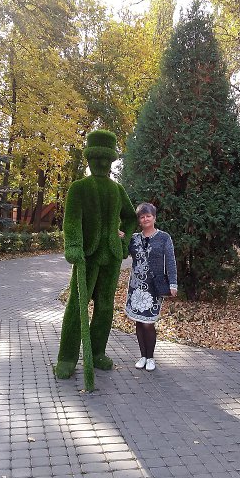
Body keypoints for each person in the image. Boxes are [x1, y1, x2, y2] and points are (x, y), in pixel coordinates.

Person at [55, 130, 137, 381]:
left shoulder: (117, 190)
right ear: (89, 159)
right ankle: (67, 357)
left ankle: (97, 352)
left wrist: (123, 244)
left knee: (105, 307)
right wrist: (73, 246)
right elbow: (71, 221)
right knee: (77, 306)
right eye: (96, 158)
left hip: (111, 257)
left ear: (111, 161)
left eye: (106, 159)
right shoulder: (79, 188)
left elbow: (131, 218)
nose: (101, 163)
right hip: (87, 257)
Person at [124, 202, 177, 372]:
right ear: (139, 220)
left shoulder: (164, 237)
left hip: (154, 287)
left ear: (154, 217)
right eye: (142, 217)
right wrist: (121, 236)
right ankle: (143, 356)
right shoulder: (134, 238)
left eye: (148, 216)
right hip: (136, 287)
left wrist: (173, 283)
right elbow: (124, 251)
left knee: (148, 323)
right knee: (139, 322)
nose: (145, 219)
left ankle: (151, 357)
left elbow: (170, 261)